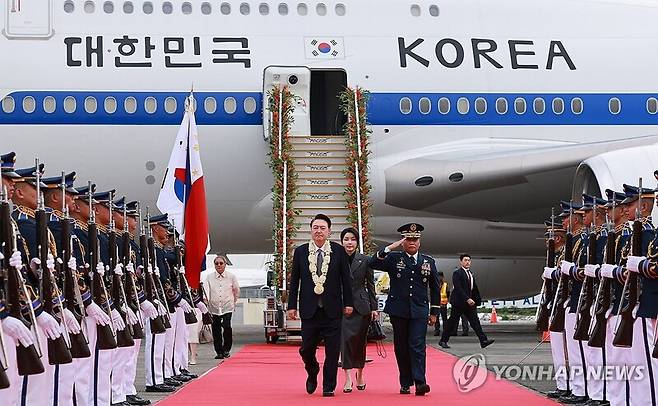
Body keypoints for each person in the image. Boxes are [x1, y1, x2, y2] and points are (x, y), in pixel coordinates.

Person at [369, 223, 440, 396]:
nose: (412, 243)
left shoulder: (428, 262)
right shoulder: (394, 258)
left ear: (420, 242)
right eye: (408, 239)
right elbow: (372, 263)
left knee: (417, 345)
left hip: (419, 310)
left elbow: (435, 288)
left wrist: (434, 312)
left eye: (415, 239)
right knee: (401, 347)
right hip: (398, 310)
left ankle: (420, 382)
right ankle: (405, 382)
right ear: (403, 241)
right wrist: (388, 248)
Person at [287, 214, 353, 397]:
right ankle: (312, 369)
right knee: (306, 349)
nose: (319, 231)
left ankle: (328, 386)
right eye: (315, 227)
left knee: (332, 351)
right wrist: (292, 305)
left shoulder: (338, 252)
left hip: (332, 310)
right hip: (310, 311)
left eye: (322, 228)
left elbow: (346, 281)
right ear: (311, 230)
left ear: (329, 231)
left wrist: (348, 303)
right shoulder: (300, 252)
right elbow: (295, 281)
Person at [339, 227, 378, 393]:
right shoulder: (335, 259)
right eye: (346, 239)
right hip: (341, 307)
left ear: (357, 242)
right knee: (345, 342)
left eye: (352, 239)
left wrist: (374, 308)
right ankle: (347, 377)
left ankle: (360, 373)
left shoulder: (366, 260)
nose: (349, 242)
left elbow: (371, 285)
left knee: (360, 343)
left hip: (362, 307)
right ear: (342, 242)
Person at [439, 254, 494, 349]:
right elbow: (458, 288)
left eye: (469, 260)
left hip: (469, 304)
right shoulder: (457, 273)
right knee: (452, 322)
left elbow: (474, 288)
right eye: (465, 260)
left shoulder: (471, 274)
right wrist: (467, 299)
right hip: (459, 303)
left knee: (475, 322)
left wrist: (477, 300)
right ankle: (443, 340)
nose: (468, 262)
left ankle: (483, 341)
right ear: (461, 262)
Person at [204, 254, 239, 359]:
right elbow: (206, 290)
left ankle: (226, 349)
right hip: (214, 307)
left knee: (227, 326)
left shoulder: (231, 276)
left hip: (227, 306)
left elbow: (236, 289)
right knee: (216, 329)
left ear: (225, 265)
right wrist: (206, 302)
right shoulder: (209, 277)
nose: (219, 265)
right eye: (216, 263)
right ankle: (219, 351)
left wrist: (234, 301)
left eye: (221, 263)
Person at [433, 272, 449, 337]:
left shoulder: (445, 285)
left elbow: (448, 294)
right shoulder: (435, 284)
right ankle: (437, 330)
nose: (439, 278)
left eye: (440, 276)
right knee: (436, 319)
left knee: (444, 319)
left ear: (442, 277)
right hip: (436, 305)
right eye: (438, 276)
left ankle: (445, 331)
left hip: (443, 305)